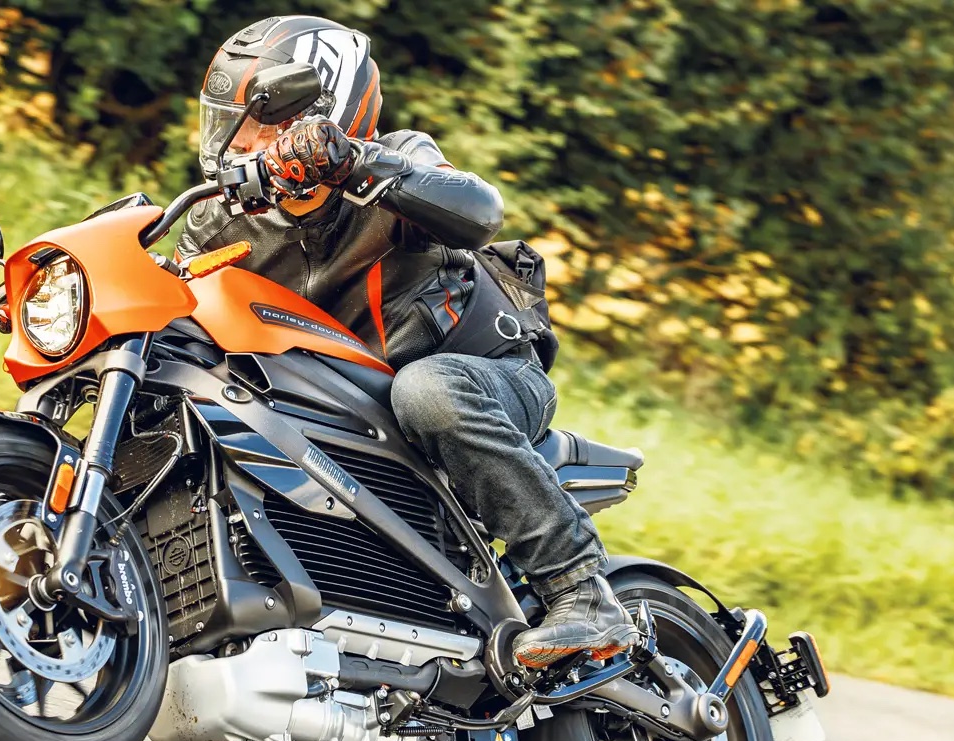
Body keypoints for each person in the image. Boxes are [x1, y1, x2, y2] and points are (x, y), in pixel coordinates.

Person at [181, 15, 635, 668]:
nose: (236, 140)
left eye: (256, 120)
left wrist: (355, 163)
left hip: (487, 376)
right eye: (228, 119)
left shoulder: (394, 161)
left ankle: (580, 591)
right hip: (353, 411)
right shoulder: (224, 223)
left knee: (428, 390)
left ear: (316, 112)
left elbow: (479, 212)